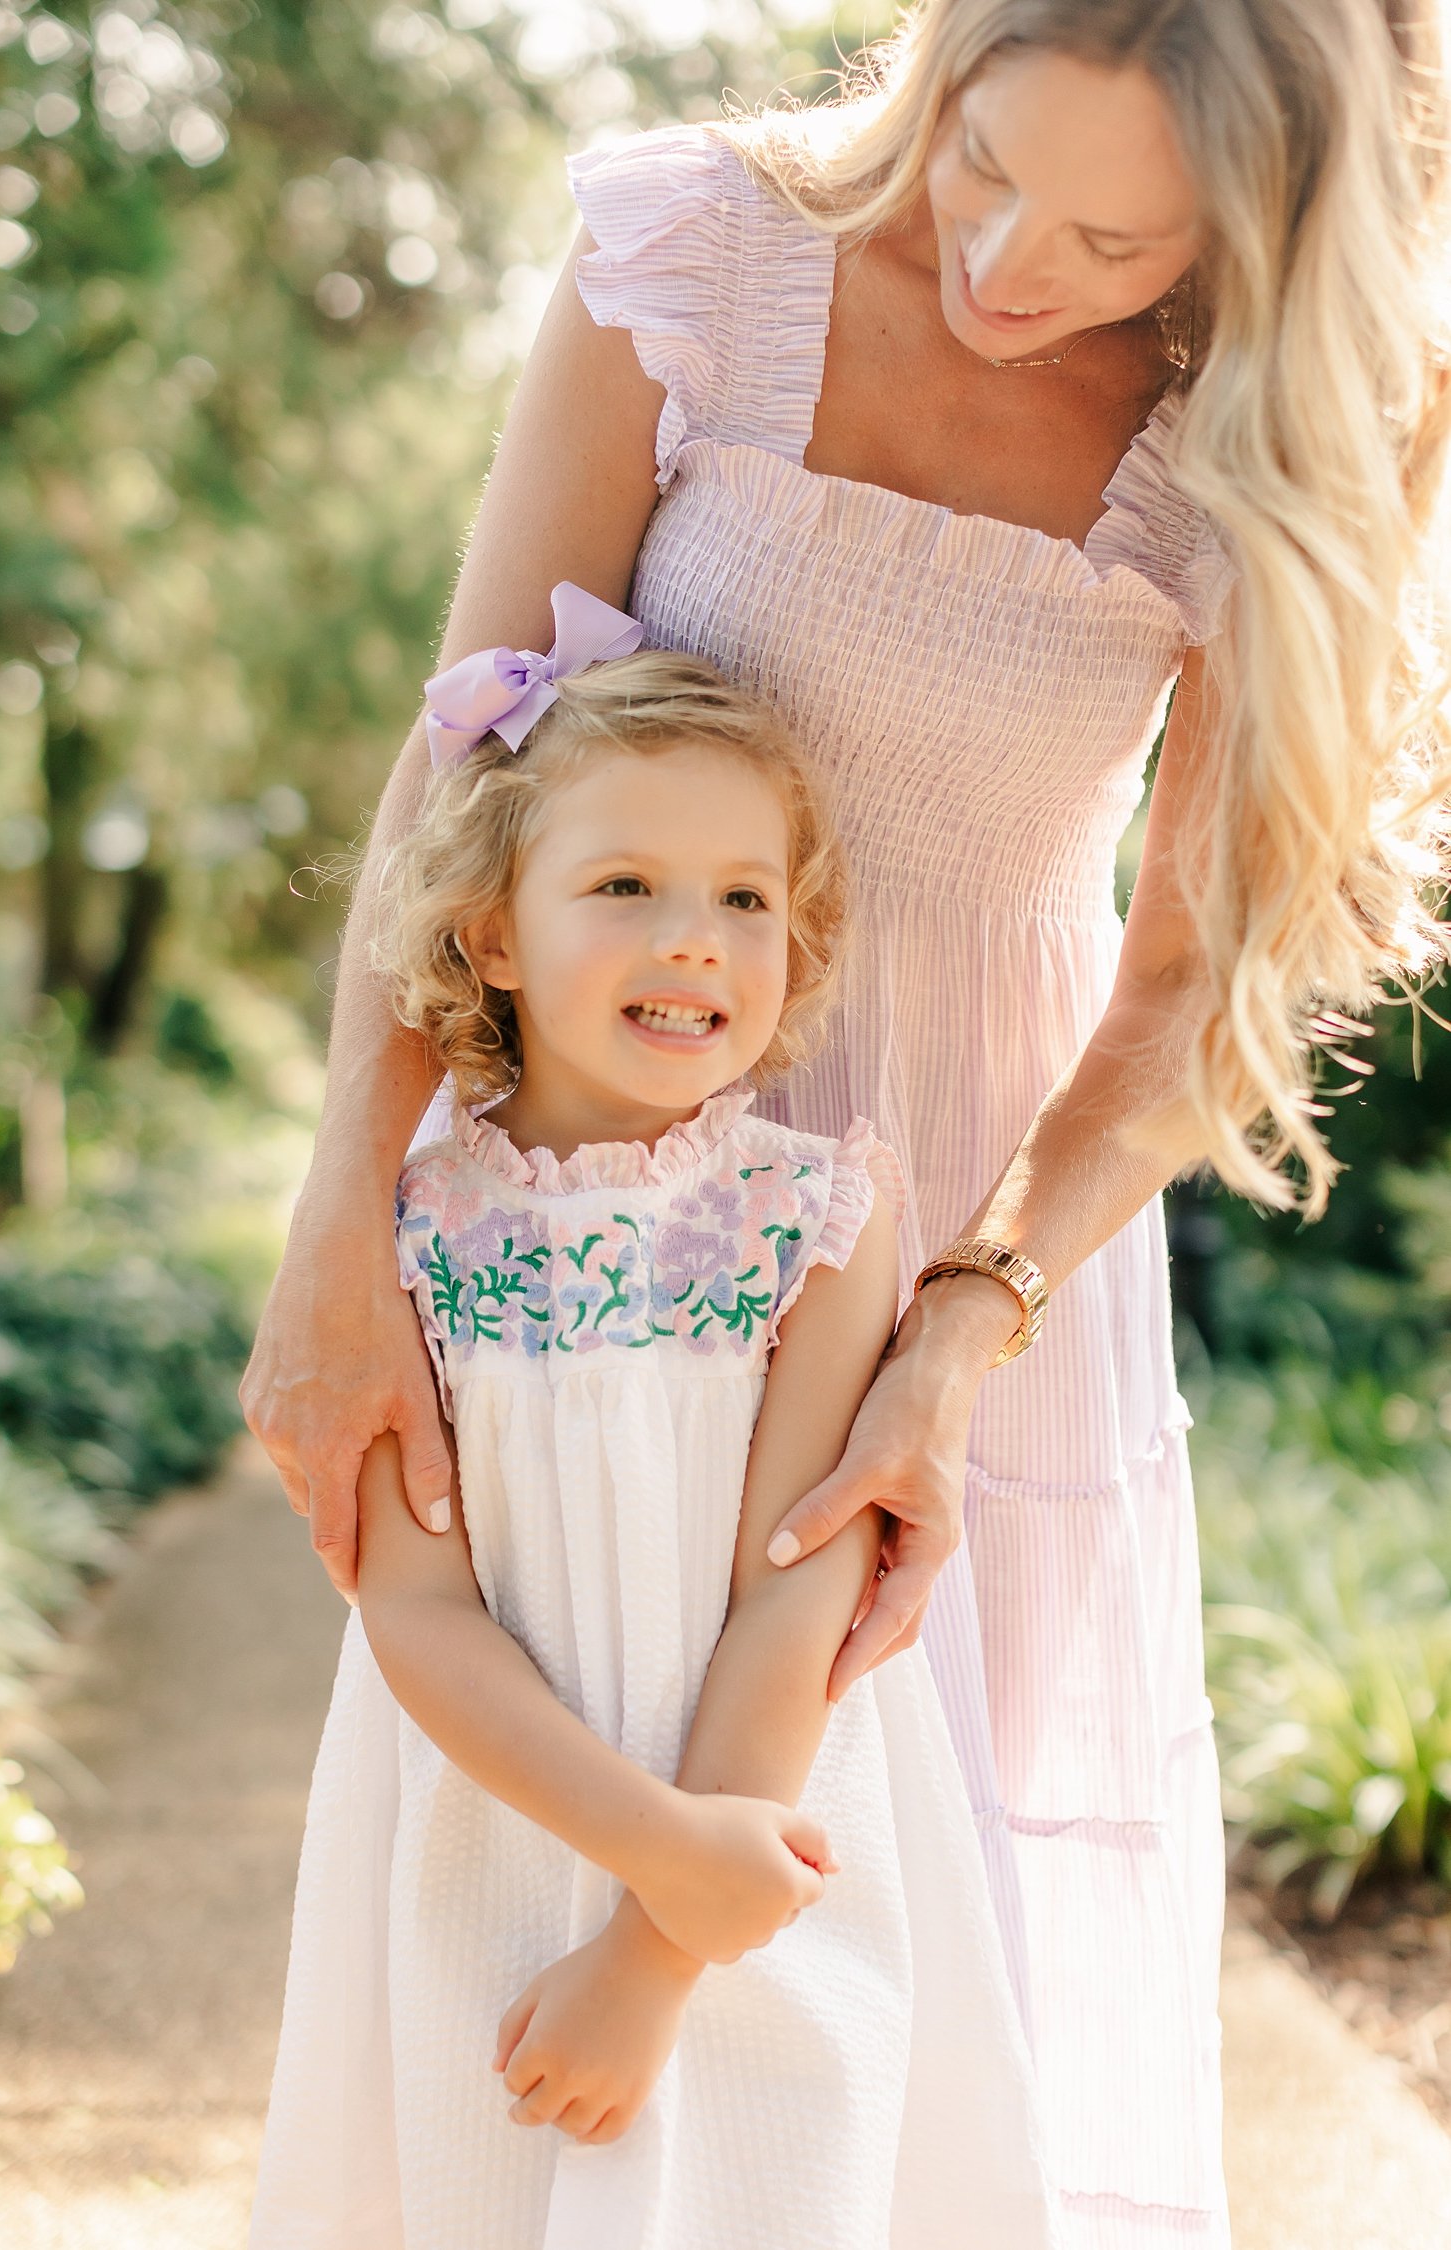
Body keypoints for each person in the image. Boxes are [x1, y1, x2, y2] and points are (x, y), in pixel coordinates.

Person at [241, 7, 1451, 2244]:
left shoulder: (1307, 424)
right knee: (549, 1844)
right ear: (942, 65)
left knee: (913, 1937)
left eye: (1113, 237)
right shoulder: (699, 248)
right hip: (597, 1230)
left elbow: (1188, 987)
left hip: (978, 1254)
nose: (1003, 264)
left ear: (1266, 232)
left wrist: (959, 1320)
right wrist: (341, 1219)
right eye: (982, 166)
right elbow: (462, 780)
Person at [248, 604, 1059, 2250]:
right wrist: (645, 1852)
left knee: (768, 2186)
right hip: (497, 1820)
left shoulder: (820, 1218)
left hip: (756, 1824)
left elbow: (796, 1584)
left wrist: (658, 1941)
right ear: (488, 932)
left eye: (744, 900)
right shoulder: (410, 1237)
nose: (696, 938)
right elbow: (411, 1601)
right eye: (626, 886)